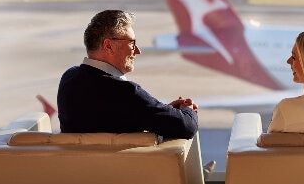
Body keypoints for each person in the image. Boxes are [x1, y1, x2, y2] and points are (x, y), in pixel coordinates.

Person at [57, 9, 199, 139]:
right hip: (123, 167)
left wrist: (164, 112)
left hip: (78, 166)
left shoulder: (68, 79)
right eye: (132, 43)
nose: (137, 51)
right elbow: (187, 127)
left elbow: (111, 116)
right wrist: (188, 110)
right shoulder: (125, 93)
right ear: (108, 46)